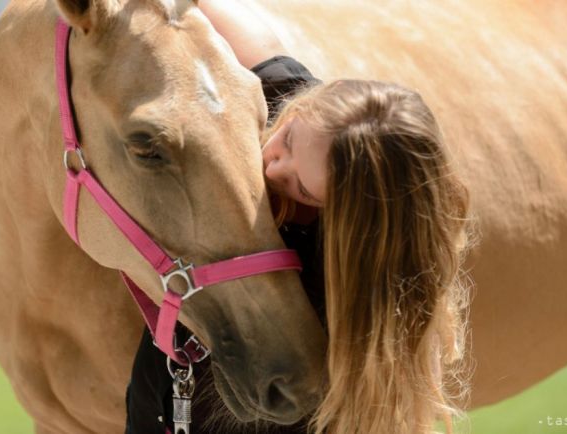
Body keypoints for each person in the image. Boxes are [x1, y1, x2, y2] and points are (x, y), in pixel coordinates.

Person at [125, 1, 474, 434]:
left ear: (353, 214)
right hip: (157, 404)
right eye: (286, 140)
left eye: (304, 189)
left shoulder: (364, 270)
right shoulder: (290, 105)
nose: (272, 168)